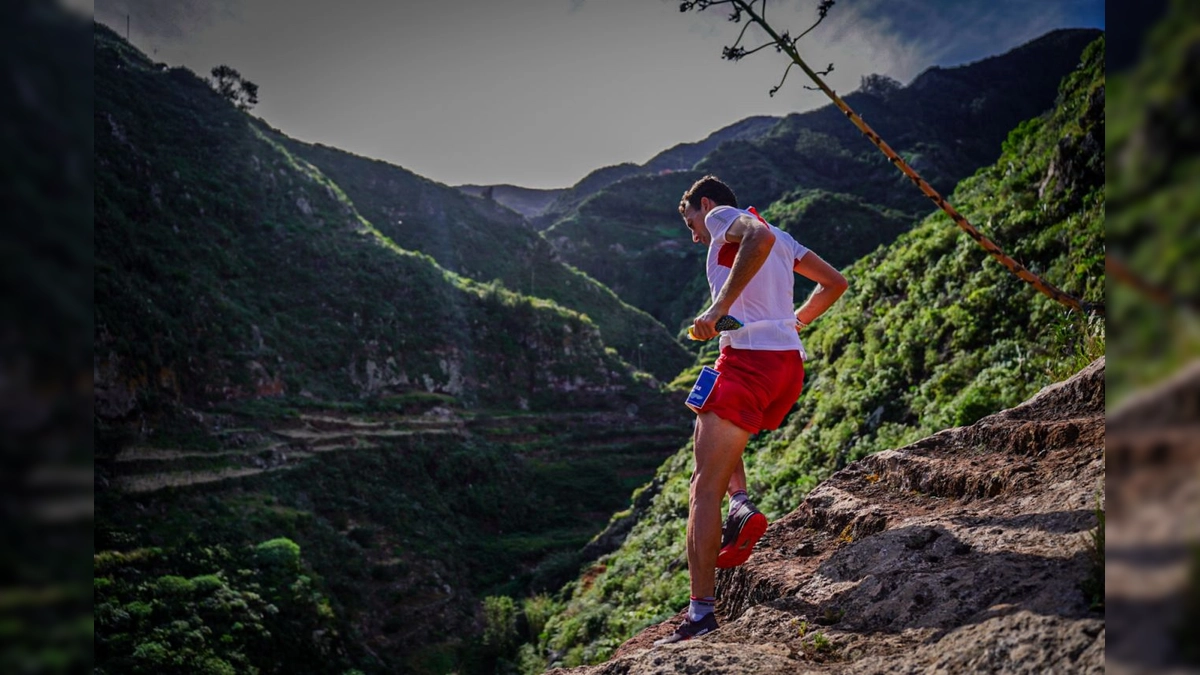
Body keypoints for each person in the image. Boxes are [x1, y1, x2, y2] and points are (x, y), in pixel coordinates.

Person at [656, 175, 848, 645]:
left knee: (702, 490)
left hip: (748, 360)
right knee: (708, 403)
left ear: (705, 205)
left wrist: (716, 307)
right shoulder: (782, 236)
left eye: (690, 221)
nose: (695, 233)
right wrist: (791, 322)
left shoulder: (726, 219)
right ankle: (740, 504)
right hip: (785, 366)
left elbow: (753, 237)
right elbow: (834, 283)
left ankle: (700, 614)